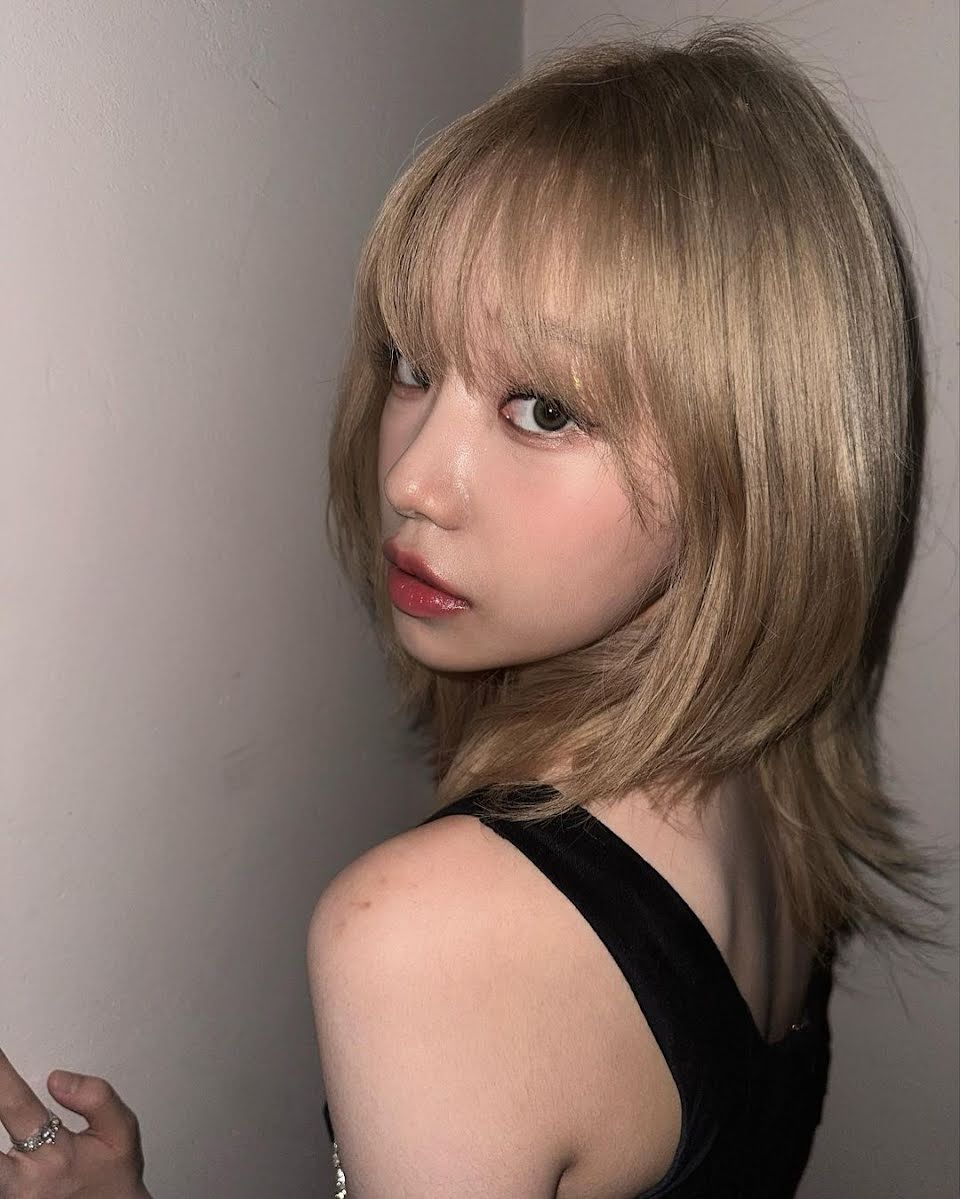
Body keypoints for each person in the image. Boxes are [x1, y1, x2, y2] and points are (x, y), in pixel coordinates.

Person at [0, 22, 939, 1199]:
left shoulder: (428, 937)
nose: (410, 479)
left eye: (544, 408)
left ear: (762, 466)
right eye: (412, 361)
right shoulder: (777, 775)